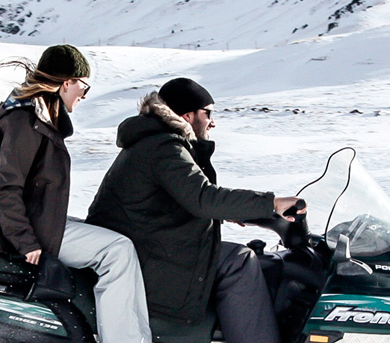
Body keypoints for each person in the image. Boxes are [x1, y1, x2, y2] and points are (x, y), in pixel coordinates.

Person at [86, 77, 305, 343]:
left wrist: (230, 211)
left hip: (145, 244)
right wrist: (271, 202)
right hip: (147, 255)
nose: (213, 122)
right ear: (187, 116)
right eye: (208, 113)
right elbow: (203, 197)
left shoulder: (153, 141)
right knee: (239, 259)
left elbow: (179, 196)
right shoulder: (165, 147)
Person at [0, 44, 151, 343]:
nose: (84, 94)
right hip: (26, 230)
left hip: (31, 221)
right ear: (67, 82)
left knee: (106, 235)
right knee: (119, 251)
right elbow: (6, 190)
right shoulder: (26, 122)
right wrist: (26, 241)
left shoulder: (27, 115)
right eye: (84, 85)